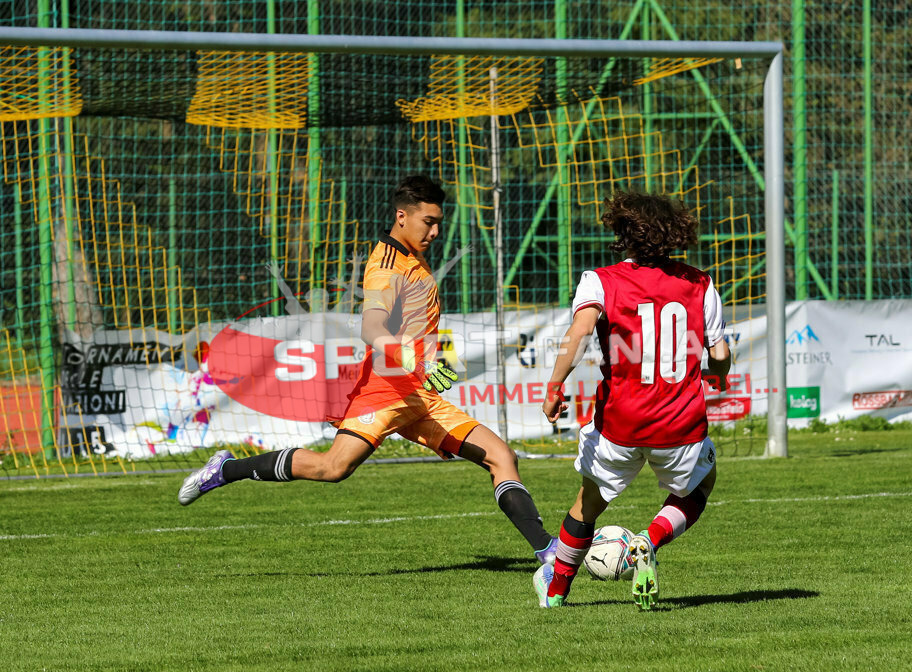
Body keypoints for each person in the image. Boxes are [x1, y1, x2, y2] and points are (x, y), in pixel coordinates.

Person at [179, 175, 557, 564]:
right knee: (332, 467)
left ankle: (548, 551)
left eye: (438, 221)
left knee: (501, 457)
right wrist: (417, 361)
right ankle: (227, 468)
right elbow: (372, 328)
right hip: (385, 390)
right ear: (402, 217)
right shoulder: (386, 267)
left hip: (420, 395)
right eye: (429, 222)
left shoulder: (411, 253)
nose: (436, 231)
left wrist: (427, 360)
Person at [532, 191, 731, 610]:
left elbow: (580, 334)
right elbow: (720, 355)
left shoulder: (600, 280)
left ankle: (555, 593)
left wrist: (554, 386)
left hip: (620, 423)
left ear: (624, 233)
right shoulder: (700, 282)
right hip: (679, 424)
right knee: (701, 485)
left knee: (588, 504)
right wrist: (717, 377)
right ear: (674, 233)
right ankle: (650, 539)